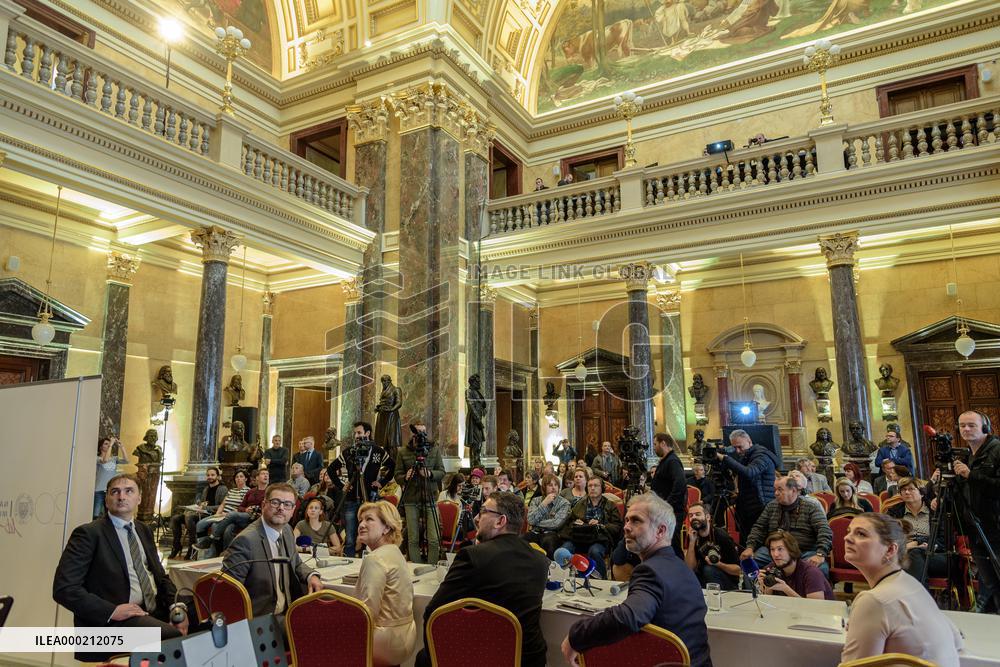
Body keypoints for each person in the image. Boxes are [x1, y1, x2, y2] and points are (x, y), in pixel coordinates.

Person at [560, 493, 712, 667]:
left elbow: (628, 616)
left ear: (660, 531)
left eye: (636, 521)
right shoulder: (681, 567)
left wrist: (575, 637)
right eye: (626, 520)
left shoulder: (650, 571)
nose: (626, 527)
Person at [53, 473, 189, 662]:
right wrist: (111, 611)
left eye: (128, 491)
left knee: (206, 622)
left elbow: (160, 576)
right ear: (107, 499)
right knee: (170, 637)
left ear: (139, 498)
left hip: (152, 609)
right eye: (115, 492)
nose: (121, 496)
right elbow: (64, 589)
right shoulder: (89, 534)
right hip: (112, 623)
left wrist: (177, 607)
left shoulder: (143, 530)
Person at [416, 492, 549, 667]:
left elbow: (435, 612)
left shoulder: (473, 556)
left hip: (482, 655)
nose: (477, 518)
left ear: (500, 521)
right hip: (527, 658)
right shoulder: (541, 561)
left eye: (484, 511)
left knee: (424, 657)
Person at [841, 513, 963, 665]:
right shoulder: (910, 584)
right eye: (848, 531)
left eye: (861, 534)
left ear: (890, 550)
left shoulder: (874, 600)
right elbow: (957, 640)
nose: (847, 538)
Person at [222, 482, 323, 619]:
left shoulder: (287, 530)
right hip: (259, 620)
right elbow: (229, 594)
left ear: (293, 510)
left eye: (287, 504)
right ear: (264, 505)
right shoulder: (245, 541)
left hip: (287, 612)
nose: (281, 508)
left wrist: (312, 576)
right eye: (275, 502)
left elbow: (296, 562)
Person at [949, 410, 1000, 613]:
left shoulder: (997, 450)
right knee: (989, 582)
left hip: (996, 526)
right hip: (976, 527)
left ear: (985, 427)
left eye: (972, 425)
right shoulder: (966, 456)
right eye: (962, 426)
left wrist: (972, 475)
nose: (966, 429)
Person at [354, 500, 417, 666]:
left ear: (387, 527)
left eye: (369, 519)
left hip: (382, 643)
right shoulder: (395, 552)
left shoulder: (375, 558)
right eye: (361, 520)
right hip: (405, 636)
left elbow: (367, 611)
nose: (361, 524)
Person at [741, 475, 833, 575]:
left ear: (793, 490)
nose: (776, 493)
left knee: (821, 569)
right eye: (775, 490)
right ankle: (756, 590)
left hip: (804, 551)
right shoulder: (772, 506)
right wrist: (750, 547)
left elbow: (824, 530)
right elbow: (759, 528)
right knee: (748, 563)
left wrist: (820, 554)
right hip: (774, 551)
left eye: (780, 490)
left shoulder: (811, 506)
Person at [329, 421, 395, 557]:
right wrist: (342, 485)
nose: (356, 436)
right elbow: (331, 469)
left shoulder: (378, 451)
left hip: (370, 499)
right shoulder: (349, 452)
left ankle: (370, 561)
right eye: (355, 433)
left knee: (371, 534)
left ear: (367, 433)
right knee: (350, 537)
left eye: (359, 433)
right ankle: (348, 563)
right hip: (351, 499)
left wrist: (381, 482)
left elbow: (392, 466)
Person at [394, 421, 446, 564]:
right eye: (418, 431)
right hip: (411, 499)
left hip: (430, 497)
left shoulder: (434, 450)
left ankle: (432, 567)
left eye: (424, 431)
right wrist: (405, 477)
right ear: (413, 434)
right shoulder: (403, 452)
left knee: (434, 538)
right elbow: (397, 474)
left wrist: (429, 474)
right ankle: (416, 567)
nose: (422, 434)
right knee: (413, 538)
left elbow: (442, 472)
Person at [715, 428, 779, 540]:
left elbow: (750, 473)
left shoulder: (762, 455)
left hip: (761, 507)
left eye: (740, 446)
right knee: (746, 541)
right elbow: (733, 476)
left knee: (758, 542)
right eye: (735, 448)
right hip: (748, 507)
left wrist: (725, 459)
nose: (738, 451)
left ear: (749, 441)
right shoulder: (746, 457)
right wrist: (724, 466)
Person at [559, 477, 622, 578]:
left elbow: (617, 527)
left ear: (602, 488)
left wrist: (601, 524)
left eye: (596, 486)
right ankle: (564, 579)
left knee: (594, 551)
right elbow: (569, 523)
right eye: (590, 486)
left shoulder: (610, 505)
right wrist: (576, 523)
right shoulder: (579, 504)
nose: (592, 488)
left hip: (599, 539)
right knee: (564, 549)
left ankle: (600, 579)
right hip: (579, 538)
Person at [887, 477, 945, 581]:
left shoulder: (936, 511)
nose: (907, 492)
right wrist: (907, 546)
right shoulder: (894, 512)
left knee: (915, 555)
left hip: (934, 554)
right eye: (903, 490)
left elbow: (945, 540)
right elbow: (888, 537)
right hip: (904, 553)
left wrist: (919, 543)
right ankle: (920, 595)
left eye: (911, 489)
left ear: (922, 493)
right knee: (914, 557)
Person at [169, 466, 227, 560]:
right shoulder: (206, 489)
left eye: (212, 475)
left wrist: (205, 507)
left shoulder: (222, 489)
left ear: (217, 476)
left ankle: (191, 548)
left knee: (190, 518)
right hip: (200, 513)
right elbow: (203, 503)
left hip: (212, 515)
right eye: (208, 475)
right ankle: (176, 545)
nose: (210, 477)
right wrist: (199, 505)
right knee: (176, 518)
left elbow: (221, 506)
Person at [757, 530, 834, 600]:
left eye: (780, 549)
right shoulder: (770, 569)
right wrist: (766, 587)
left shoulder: (811, 572)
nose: (775, 554)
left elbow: (816, 608)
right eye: (772, 549)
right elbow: (769, 603)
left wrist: (786, 589)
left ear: (791, 550)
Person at [193, 468, 251, 556]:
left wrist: (226, 514)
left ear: (246, 479)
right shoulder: (232, 490)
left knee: (215, 526)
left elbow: (242, 507)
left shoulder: (248, 491)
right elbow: (223, 504)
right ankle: (203, 550)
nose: (238, 479)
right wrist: (217, 514)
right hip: (221, 514)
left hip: (232, 517)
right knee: (200, 524)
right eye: (236, 477)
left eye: (241, 477)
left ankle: (215, 554)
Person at [211, 468, 270, 552]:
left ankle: (214, 536)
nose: (265, 476)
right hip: (246, 516)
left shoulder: (269, 492)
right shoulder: (251, 491)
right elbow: (240, 507)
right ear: (257, 477)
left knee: (232, 514)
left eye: (267, 474)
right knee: (229, 529)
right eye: (263, 474)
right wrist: (246, 509)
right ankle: (226, 553)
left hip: (258, 517)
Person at [684, 502, 740, 590]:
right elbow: (690, 568)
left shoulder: (721, 536)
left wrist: (718, 564)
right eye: (691, 515)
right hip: (705, 577)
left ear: (708, 517)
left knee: (708, 570)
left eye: (697, 514)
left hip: (727, 581)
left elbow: (738, 571)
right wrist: (691, 542)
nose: (693, 517)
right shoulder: (692, 536)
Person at [649, 432, 687, 556]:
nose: (653, 447)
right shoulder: (666, 461)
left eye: (655, 444)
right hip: (666, 510)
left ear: (663, 443)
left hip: (672, 511)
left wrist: (667, 504)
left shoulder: (672, 461)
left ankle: (680, 572)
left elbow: (680, 484)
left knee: (673, 545)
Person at [525, 473, 572, 558]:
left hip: (553, 534)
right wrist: (544, 504)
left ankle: (548, 569)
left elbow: (556, 524)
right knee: (522, 539)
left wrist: (535, 523)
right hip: (535, 533)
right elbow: (530, 520)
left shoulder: (564, 503)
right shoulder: (535, 501)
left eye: (556, 485)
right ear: (544, 487)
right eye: (550, 485)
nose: (554, 487)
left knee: (548, 541)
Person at [94, 436, 128, 519]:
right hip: (99, 490)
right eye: (106, 444)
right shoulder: (97, 458)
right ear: (100, 447)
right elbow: (105, 460)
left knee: (110, 514)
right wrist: (111, 445)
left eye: (109, 444)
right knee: (96, 514)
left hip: (111, 491)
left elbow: (126, 460)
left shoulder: (114, 459)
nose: (109, 445)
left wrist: (121, 447)